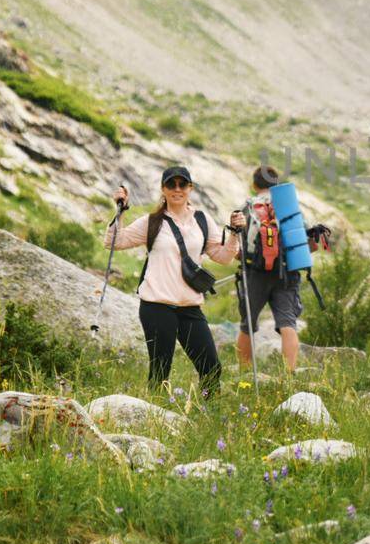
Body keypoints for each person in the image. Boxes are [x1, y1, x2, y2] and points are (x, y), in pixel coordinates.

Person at [108, 165, 236, 390]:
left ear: (190, 188)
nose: (177, 189)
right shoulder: (152, 222)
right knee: (160, 371)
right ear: (163, 189)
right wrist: (120, 211)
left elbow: (223, 257)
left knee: (211, 368)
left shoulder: (203, 220)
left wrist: (235, 235)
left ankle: (204, 415)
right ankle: (153, 420)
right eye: (171, 184)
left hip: (190, 307)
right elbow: (113, 242)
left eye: (182, 184)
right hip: (156, 306)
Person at [229, 166, 310, 374]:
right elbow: (308, 242)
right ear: (276, 184)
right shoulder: (289, 206)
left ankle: (245, 374)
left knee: (248, 323)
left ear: (255, 185)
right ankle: (288, 375)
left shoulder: (248, 206)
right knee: (288, 324)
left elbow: (237, 245)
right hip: (286, 273)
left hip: (255, 273)